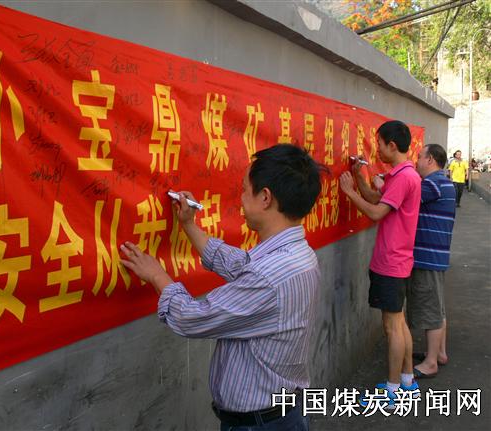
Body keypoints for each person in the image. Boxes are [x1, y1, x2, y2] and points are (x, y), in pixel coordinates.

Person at [120, 144, 324, 430]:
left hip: (260, 424)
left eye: (244, 190)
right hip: (282, 413)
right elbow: (241, 265)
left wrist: (157, 275)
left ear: (265, 198)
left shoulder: (269, 276)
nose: (240, 198)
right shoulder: (297, 255)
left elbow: (192, 317)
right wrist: (190, 226)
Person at [339, 120, 421, 408]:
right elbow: (377, 198)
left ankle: (392, 390)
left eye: (380, 144)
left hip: (391, 261)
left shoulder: (404, 178)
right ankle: (407, 381)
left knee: (391, 327)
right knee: (399, 322)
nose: (377, 150)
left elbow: (375, 212)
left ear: (392, 145)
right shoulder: (403, 175)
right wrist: (359, 179)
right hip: (398, 260)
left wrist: (350, 193)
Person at [407, 144, 456, 378]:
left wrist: (381, 184)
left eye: (419, 157)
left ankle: (430, 363)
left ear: (430, 160)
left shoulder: (433, 184)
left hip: (428, 258)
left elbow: (406, 197)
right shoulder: (442, 182)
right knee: (437, 307)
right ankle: (439, 354)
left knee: (430, 310)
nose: (416, 161)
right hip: (435, 256)